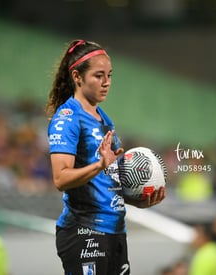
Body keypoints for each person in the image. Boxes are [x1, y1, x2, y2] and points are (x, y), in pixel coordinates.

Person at [46, 39, 166, 275]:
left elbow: (106, 187)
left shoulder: (105, 121)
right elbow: (60, 179)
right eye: (98, 75)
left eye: (109, 75)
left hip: (115, 232)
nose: (107, 82)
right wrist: (100, 164)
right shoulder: (68, 117)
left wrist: (139, 199)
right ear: (77, 77)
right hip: (85, 233)